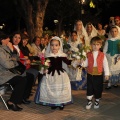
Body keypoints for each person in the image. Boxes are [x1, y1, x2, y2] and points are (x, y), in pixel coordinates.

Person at [34, 36, 73, 110]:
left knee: (60, 89)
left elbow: (68, 62)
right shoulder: (47, 56)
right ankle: (53, 102)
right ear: (49, 46)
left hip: (60, 75)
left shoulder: (62, 55)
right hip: (50, 75)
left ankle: (61, 103)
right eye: (52, 45)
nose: (54, 47)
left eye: (56, 45)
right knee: (51, 89)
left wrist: (76, 61)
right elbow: (43, 65)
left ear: (59, 46)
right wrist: (44, 69)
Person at [0, 33, 34, 111]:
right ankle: (11, 102)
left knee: (27, 77)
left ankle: (20, 99)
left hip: (8, 72)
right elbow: (7, 64)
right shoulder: (1, 50)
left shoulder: (6, 48)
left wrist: (12, 52)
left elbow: (15, 58)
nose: (9, 40)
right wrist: (15, 62)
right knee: (21, 80)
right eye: (7, 38)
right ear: (2, 40)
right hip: (2, 74)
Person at [81, 36, 109, 109]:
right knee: (90, 88)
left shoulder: (102, 55)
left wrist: (107, 73)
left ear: (100, 45)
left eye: (97, 44)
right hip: (90, 74)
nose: (95, 46)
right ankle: (89, 101)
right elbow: (86, 64)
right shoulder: (89, 54)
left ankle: (97, 100)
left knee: (98, 88)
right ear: (91, 45)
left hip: (99, 74)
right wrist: (82, 62)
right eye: (94, 44)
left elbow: (105, 64)